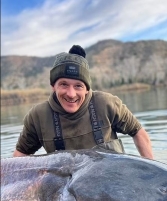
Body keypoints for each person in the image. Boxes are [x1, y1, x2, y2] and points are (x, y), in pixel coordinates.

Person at [13, 45, 154, 159]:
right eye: (63, 84)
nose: (71, 94)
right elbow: (20, 156)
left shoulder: (107, 104)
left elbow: (138, 132)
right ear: (53, 86)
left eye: (78, 86)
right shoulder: (37, 116)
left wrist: (153, 173)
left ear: (87, 89)